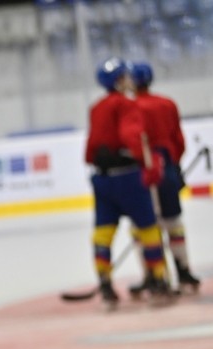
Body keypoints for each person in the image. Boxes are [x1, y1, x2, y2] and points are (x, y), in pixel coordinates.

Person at [84, 57, 170, 308]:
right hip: (128, 177)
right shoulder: (126, 104)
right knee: (148, 229)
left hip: (102, 179)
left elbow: (90, 150)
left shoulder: (96, 107)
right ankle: (158, 280)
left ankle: (105, 285)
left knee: (103, 233)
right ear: (119, 80)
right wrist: (147, 163)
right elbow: (132, 136)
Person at [128, 60, 201, 296]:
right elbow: (178, 140)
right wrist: (172, 165)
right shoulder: (167, 104)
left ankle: (154, 275)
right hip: (168, 168)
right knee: (173, 221)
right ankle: (183, 270)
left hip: (143, 171)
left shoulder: (130, 107)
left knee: (143, 225)